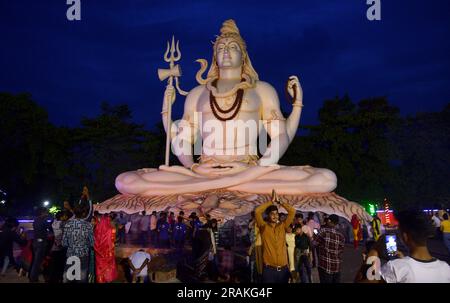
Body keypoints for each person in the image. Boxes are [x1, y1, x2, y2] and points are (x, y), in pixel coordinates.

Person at [363, 210, 450, 283]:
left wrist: (374, 251)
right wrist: (404, 259)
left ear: (405, 236)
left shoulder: (395, 267)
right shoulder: (445, 268)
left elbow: (368, 280)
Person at [255, 190, 295, 283]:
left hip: (284, 269)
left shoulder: (283, 226)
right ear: (268, 215)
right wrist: (271, 202)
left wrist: (280, 202)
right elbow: (257, 212)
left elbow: (292, 211)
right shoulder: (263, 227)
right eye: (272, 214)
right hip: (269, 270)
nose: (275, 216)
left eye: (276, 213)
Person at [62, 205, 94, 283]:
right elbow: (92, 242)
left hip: (71, 253)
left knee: (68, 278)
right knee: (82, 278)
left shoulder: (67, 224)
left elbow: (64, 243)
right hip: (83, 254)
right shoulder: (88, 225)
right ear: (83, 214)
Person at [313, 214, 345, 283]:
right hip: (337, 267)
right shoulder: (341, 236)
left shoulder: (323, 232)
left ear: (329, 221)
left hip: (325, 266)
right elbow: (341, 250)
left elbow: (314, 244)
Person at [29, 207, 52, 282]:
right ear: (42, 213)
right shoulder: (43, 220)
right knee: (37, 262)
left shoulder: (35, 220)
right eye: (46, 212)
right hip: (41, 243)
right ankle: (33, 278)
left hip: (35, 242)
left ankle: (33, 276)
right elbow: (50, 228)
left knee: (35, 261)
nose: (47, 214)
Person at [94, 214, 118, 283]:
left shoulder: (97, 230)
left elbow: (95, 242)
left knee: (100, 269)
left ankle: (101, 280)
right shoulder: (112, 230)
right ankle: (108, 279)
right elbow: (113, 241)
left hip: (99, 255)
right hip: (108, 254)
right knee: (108, 268)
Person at [48, 211, 69, 283]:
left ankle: (52, 279)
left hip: (55, 247)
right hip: (61, 248)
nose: (66, 217)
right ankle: (59, 279)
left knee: (54, 266)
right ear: (61, 217)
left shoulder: (54, 222)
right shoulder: (62, 223)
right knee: (60, 266)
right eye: (65, 216)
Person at [247, 211, 263, 283]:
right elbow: (250, 228)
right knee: (253, 264)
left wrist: (251, 246)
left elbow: (258, 237)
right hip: (255, 246)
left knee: (257, 264)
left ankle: (256, 279)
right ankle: (253, 279)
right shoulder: (253, 223)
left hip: (258, 246)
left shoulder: (260, 223)